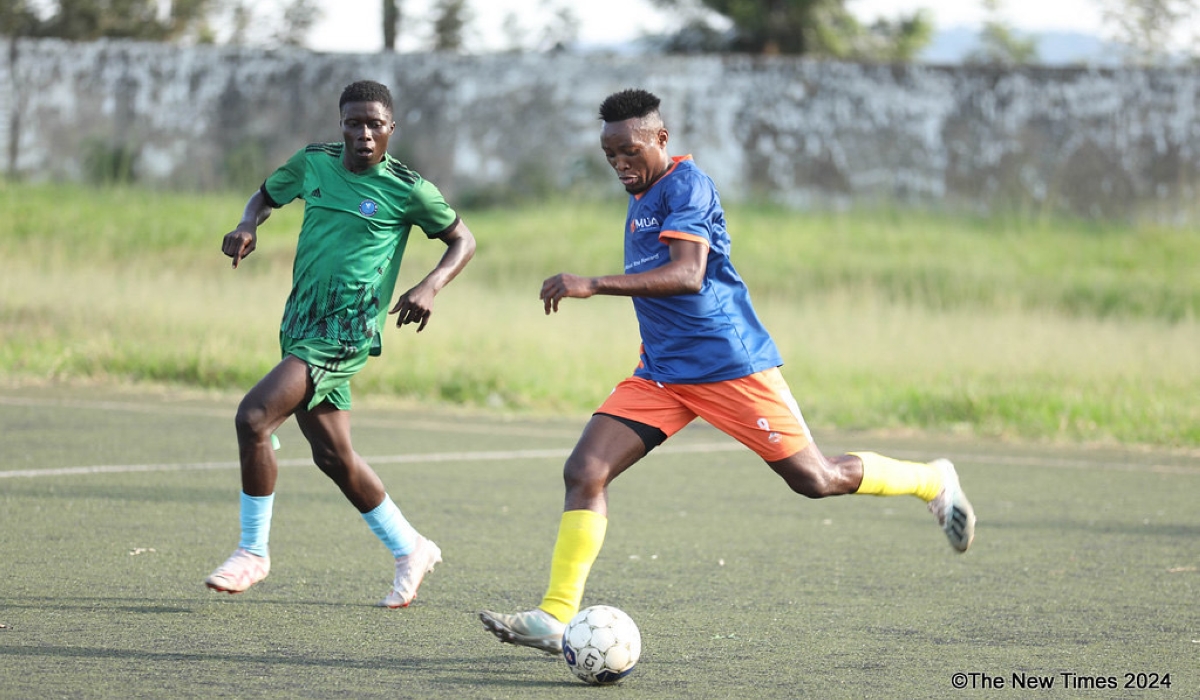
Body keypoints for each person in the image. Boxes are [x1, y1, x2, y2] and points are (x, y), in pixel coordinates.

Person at [479, 88, 975, 653]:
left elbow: (688, 274)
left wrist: (592, 283)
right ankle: (555, 616)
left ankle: (932, 480)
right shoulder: (641, 194)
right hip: (663, 374)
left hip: (727, 366)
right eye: (609, 153)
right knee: (585, 470)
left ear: (661, 139)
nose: (619, 163)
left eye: (629, 150)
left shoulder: (688, 185)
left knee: (816, 480)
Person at [204, 80, 476, 609]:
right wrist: (246, 224)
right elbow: (265, 195)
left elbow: (463, 239)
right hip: (301, 323)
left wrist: (429, 285)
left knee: (254, 417)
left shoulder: (408, 188)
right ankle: (410, 547)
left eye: (375, 124)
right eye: (354, 122)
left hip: (346, 329)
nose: (364, 133)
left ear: (390, 130)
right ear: (341, 125)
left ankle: (252, 552)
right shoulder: (313, 164)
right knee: (333, 455)